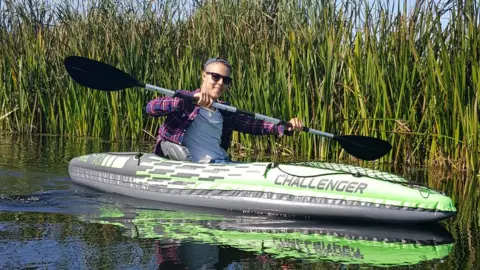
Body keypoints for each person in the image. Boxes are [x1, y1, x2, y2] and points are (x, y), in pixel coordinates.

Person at [146, 57, 303, 163]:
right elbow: (151, 107)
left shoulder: (225, 110)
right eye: (215, 76)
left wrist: (284, 126)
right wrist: (187, 101)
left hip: (222, 162)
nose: (221, 83)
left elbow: (255, 125)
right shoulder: (184, 99)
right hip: (195, 166)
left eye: (226, 80)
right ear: (204, 76)